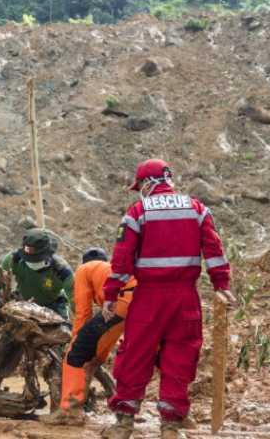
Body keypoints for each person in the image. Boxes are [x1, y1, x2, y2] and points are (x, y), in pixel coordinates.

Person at [101, 159, 235, 439]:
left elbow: (122, 259)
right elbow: (213, 248)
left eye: (140, 186)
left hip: (148, 297)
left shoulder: (138, 212)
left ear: (148, 184)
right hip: (186, 297)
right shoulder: (197, 208)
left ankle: (123, 424)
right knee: (180, 358)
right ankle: (170, 428)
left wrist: (111, 294)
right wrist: (221, 284)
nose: (140, 191)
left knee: (135, 356)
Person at [42, 248, 135, 426]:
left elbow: (83, 311)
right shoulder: (109, 269)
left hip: (122, 302)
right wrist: (96, 358)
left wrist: (75, 340)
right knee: (147, 357)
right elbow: (110, 333)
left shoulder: (84, 270)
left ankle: (71, 411)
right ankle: (177, 415)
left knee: (75, 355)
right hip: (145, 302)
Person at [0, 228, 74, 379]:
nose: (32, 262)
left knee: (59, 349)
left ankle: (61, 381)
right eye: (29, 258)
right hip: (23, 308)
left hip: (53, 308)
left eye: (36, 259)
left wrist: (78, 324)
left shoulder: (61, 269)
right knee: (4, 346)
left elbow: (75, 298)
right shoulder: (14, 259)